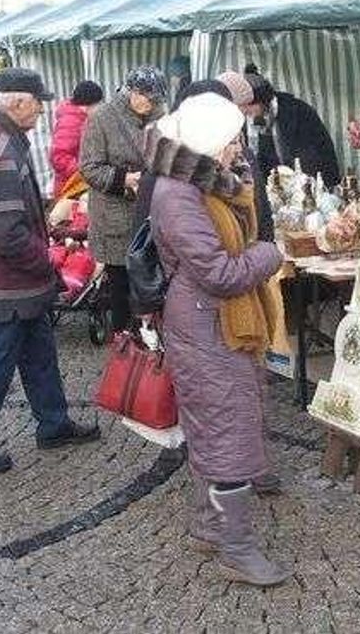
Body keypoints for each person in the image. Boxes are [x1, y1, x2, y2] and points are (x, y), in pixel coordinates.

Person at [149, 92, 289, 587]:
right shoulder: (177, 193)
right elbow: (220, 272)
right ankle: (237, 548)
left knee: (217, 426)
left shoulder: (202, 179)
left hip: (213, 320)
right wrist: (271, 255)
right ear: (209, 142)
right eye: (232, 141)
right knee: (225, 431)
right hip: (205, 321)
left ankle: (211, 526)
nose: (238, 148)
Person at [0, 68, 100, 474]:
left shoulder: (1, 138)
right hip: (6, 285)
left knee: (40, 354)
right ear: (15, 102)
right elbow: (5, 233)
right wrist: (46, 261)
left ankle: (53, 424)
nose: (42, 111)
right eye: (37, 102)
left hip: (14, 283)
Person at [79, 65, 168, 335]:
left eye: (157, 100)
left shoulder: (158, 115)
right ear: (133, 92)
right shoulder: (102, 118)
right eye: (149, 99)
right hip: (115, 217)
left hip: (151, 211)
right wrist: (126, 179)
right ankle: (123, 342)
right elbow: (89, 167)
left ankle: (153, 341)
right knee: (121, 284)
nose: (152, 104)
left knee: (150, 280)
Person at [242, 64, 341, 190]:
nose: (245, 111)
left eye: (248, 106)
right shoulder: (245, 121)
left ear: (262, 101)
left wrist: (328, 185)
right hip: (270, 187)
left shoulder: (298, 111)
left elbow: (322, 151)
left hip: (304, 183)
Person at [217, 71, 275, 243]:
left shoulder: (245, 153)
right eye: (240, 108)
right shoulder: (210, 155)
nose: (244, 115)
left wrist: (267, 246)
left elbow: (261, 205)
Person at [49, 79, 104, 193]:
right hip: (70, 188)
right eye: (99, 103)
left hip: (77, 185)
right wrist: (87, 172)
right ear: (91, 104)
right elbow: (59, 157)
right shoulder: (71, 122)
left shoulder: (82, 119)